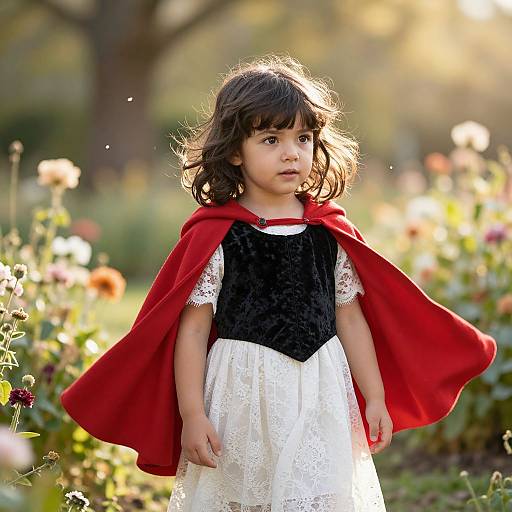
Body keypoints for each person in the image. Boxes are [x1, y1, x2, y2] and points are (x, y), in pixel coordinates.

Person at [59, 55, 496, 512]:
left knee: (322, 491)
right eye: (271, 139)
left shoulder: (329, 233)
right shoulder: (219, 234)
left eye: (303, 138)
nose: (292, 152)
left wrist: (376, 397)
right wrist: (192, 413)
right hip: (242, 391)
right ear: (234, 150)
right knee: (247, 493)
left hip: (322, 386)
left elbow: (349, 317)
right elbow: (190, 330)